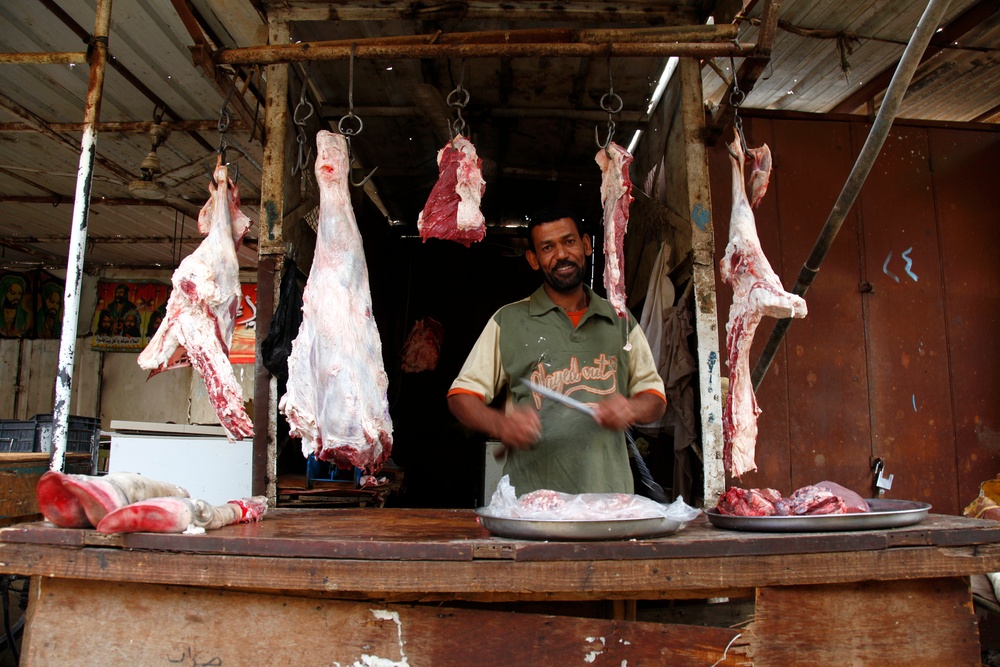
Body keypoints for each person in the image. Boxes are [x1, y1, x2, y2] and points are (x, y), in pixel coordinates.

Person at [447, 207, 666, 496]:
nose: (561, 254)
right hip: (533, 501)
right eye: (547, 248)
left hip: (610, 500)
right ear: (533, 260)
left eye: (569, 242)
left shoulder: (621, 321)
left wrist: (631, 408)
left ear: (587, 245)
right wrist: (501, 424)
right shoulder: (508, 321)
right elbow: (461, 396)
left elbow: (655, 398)